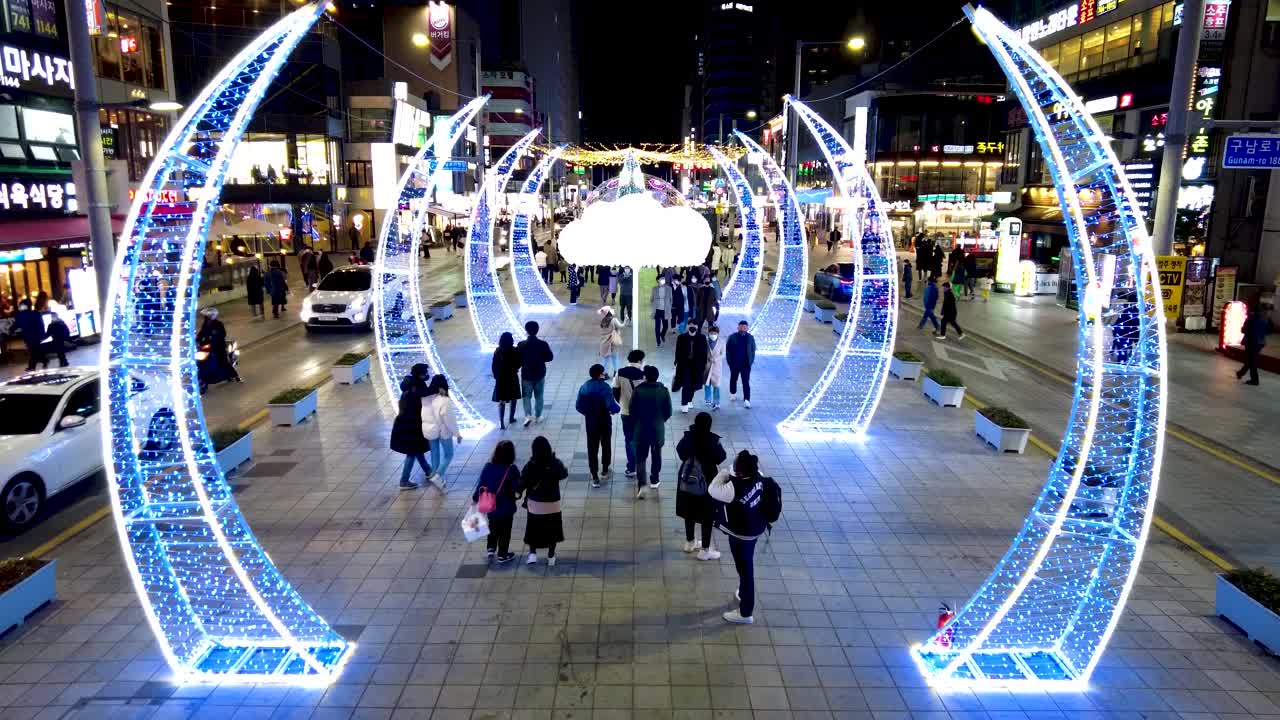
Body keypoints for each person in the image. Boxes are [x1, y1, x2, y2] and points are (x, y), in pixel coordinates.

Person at [709, 450, 773, 624]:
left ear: (739, 471)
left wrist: (724, 472)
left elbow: (712, 489)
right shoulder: (758, 476)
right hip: (755, 527)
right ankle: (744, 592)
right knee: (744, 565)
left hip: (742, 534)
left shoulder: (732, 489)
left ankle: (746, 612)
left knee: (746, 570)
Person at [676, 412, 727, 560]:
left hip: (687, 478)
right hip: (707, 480)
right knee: (706, 515)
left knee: (689, 510)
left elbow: (680, 452)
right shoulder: (713, 440)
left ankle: (690, 542)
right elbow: (720, 457)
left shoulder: (688, 437)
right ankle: (705, 550)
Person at [472, 440, 522, 563]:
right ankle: (502, 554)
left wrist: (475, 498)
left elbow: (481, 485)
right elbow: (516, 489)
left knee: (493, 526)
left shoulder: (488, 467)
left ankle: (490, 548)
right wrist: (517, 495)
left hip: (490, 505)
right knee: (505, 530)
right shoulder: (512, 469)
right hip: (506, 506)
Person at [522, 436, 567, 566]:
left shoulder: (531, 464)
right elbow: (563, 474)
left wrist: (518, 492)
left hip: (535, 504)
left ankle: (532, 554)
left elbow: (523, 480)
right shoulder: (555, 462)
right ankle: (551, 557)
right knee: (552, 529)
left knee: (533, 528)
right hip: (552, 504)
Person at [629, 365, 672, 498]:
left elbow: (632, 411)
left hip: (641, 430)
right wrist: (659, 421)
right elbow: (668, 412)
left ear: (645, 377)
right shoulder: (663, 391)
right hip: (657, 430)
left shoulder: (638, 391)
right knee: (656, 454)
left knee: (641, 458)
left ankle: (642, 484)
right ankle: (654, 479)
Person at [575, 363, 621, 487]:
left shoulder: (584, 387)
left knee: (592, 447)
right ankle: (605, 470)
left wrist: (589, 413)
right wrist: (616, 409)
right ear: (600, 374)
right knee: (606, 444)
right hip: (604, 421)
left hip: (591, 422)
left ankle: (594, 476)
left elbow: (578, 406)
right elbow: (611, 405)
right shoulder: (605, 388)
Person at [391, 364, 434, 490]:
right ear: (419, 374)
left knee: (417, 449)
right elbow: (426, 393)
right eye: (425, 373)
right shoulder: (417, 389)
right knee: (412, 452)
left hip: (405, 423)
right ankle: (404, 480)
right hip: (411, 425)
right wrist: (438, 387)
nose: (426, 375)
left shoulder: (409, 384)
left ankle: (428, 471)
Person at [422, 375, 462, 486]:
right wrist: (457, 434)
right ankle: (438, 475)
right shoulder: (444, 400)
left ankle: (434, 474)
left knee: (435, 453)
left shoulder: (426, 397)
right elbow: (449, 420)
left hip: (428, 429)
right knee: (449, 454)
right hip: (442, 430)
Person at [613, 349, 646, 479]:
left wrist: (622, 402)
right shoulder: (644, 374)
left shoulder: (620, 372)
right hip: (641, 414)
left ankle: (631, 467)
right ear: (640, 361)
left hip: (626, 412)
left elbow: (615, 390)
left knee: (629, 440)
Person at [518, 321, 554, 425]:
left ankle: (528, 415)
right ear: (537, 330)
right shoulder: (542, 344)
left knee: (526, 396)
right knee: (539, 396)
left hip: (526, 375)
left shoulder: (521, 345)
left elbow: (518, 359)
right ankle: (538, 416)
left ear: (526, 331)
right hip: (539, 374)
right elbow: (550, 357)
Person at [673, 322, 709, 413]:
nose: (692, 327)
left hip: (697, 366)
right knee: (686, 384)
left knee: (694, 385)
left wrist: (703, 364)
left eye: (694, 325)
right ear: (687, 326)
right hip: (685, 365)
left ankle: (689, 400)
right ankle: (684, 404)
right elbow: (678, 351)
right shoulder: (681, 337)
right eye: (690, 325)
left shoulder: (702, 338)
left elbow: (704, 352)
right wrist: (676, 362)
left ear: (697, 327)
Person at [491, 332, 523, 429]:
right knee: (513, 398)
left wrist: (497, 376)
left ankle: (501, 423)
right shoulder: (514, 351)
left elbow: (494, 366)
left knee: (502, 400)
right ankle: (511, 418)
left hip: (501, 379)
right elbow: (518, 363)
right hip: (512, 377)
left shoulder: (497, 351)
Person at [725, 320, 756, 408]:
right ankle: (733, 393)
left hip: (746, 365)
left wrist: (751, 361)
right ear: (738, 327)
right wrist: (730, 362)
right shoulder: (732, 337)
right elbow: (728, 350)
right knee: (733, 379)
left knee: (745, 381)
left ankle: (747, 399)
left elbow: (753, 350)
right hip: (735, 364)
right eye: (741, 327)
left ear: (747, 328)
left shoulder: (750, 338)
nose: (743, 329)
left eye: (744, 327)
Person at [1237, 303, 1269, 386]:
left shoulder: (1250, 319)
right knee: (1251, 359)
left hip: (1251, 342)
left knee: (1252, 361)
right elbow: (1268, 330)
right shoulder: (1265, 319)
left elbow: (1243, 330)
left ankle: (1254, 380)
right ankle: (1241, 373)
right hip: (1260, 342)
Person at [15, 300, 45, 370]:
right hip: (28, 336)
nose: (20, 306)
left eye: (21, 305)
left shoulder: (34, 313)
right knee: (35, 350)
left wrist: (42, 335)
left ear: (26, 306)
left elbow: (40, 325)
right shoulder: (20, 314)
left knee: (33, 351)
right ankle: (44, 360)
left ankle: (32, 366)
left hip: (35, 335)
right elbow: (17, 324)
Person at [703, 324, 725, 410]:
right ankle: (708, 399)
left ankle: (716, 402)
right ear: (708, 333)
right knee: (707, 383)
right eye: (711, 333)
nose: (713, 335)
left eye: (715, 333)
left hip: (717, 366)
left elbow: (723, 353)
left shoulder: (722, 342)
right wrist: (706, 357)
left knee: (716, 385)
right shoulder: (705, 341)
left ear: (718, 333)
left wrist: (716, 358)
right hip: (707, 365)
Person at [598, 306, 625, 375]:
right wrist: (626, 320)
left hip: (604, 342)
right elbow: (621, 326)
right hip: (613, 342)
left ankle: (604, 373)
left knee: (605, 359)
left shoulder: (603, 321)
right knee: (615, 358)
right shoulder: (614, 320)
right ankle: (616, 373)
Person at [651, 274, 672, 346]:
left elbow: (671, 299)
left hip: (665, 310)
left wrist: (669, 307)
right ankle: (658, 340)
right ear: (658, 280)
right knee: (657, 326)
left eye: (664, 278)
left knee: (665, 325)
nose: (663, 280)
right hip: (657, 310)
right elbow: (652, 299)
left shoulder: (669, 288)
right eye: (661, 279)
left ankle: (662, 335)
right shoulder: (654, 289)